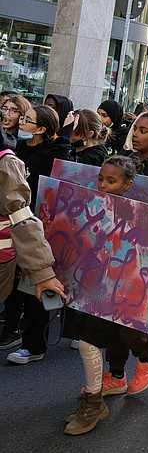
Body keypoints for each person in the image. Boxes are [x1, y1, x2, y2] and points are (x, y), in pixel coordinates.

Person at [61, 156, 148, 435]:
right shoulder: (90, 205)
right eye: (101, 179)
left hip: (118, 291)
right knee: (87, 341)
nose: (104, 186)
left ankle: (94, 400)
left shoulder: (137, 215)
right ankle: (97, 394)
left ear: (128, 184)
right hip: (88, 286)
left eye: (112, 181)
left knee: (87, 343)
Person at [4, 105, 71, 363]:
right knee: (13, 288)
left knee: (35, 288)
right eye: (23, 118)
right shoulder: (15, 148)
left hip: (36, 228)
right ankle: (10, 330)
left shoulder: (53, 154)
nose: (21, 123)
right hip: (11, 230)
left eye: (28, 120)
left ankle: (34, 345)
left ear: (42, 129)